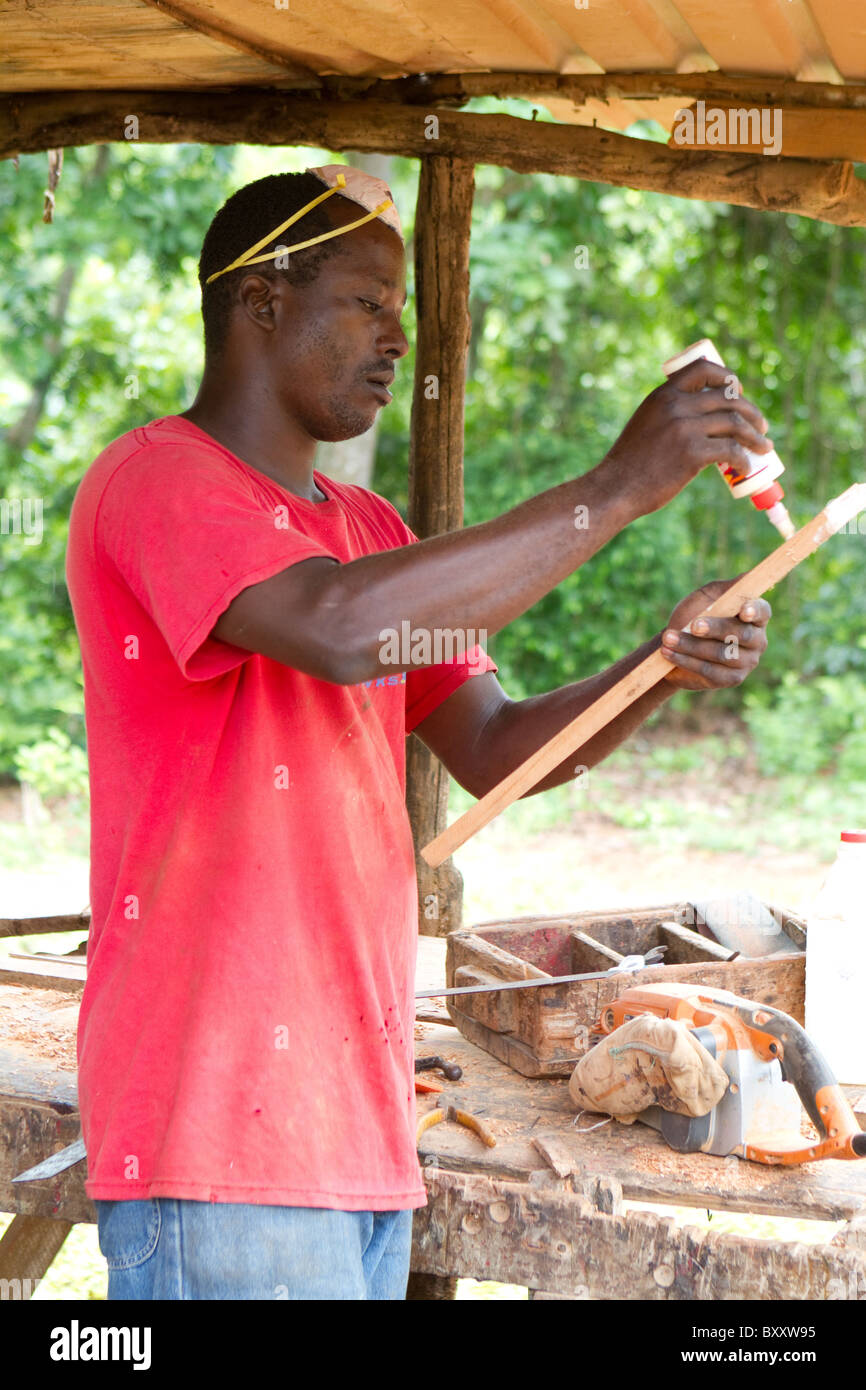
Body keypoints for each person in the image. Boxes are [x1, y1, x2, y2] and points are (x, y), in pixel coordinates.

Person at [65, 165, 773, 1301]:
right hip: (221, 1135)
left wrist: (657, 666)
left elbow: (492, 746)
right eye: (366, 302)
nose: (399, 339)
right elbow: (337, 629)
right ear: (259, 301)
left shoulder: (366, 530)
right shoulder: (159, 484)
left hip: (357, 1126)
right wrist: (615, 487)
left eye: (404, 311)